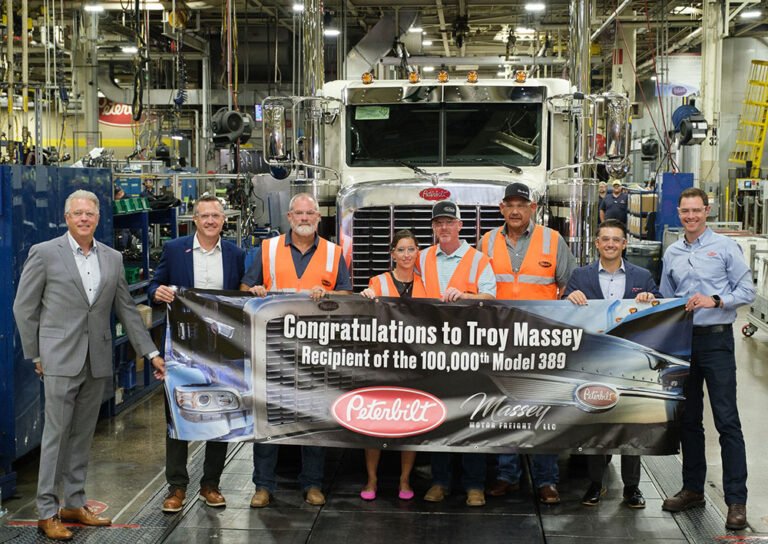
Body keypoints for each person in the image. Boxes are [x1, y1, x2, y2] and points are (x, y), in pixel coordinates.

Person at [13, 190, 165, 541]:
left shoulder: (111, 258)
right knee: (56, 436)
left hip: (97, 360)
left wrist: (151, 353)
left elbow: (126, 309)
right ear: (66, 218)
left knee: (83, 435)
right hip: (59, 359)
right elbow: (24, 307)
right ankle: (47, 511)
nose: (84, 218)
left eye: (90, 213)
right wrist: (36, 355)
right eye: (77, 213)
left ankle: (74, 503)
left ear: (98, 218)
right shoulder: (44, 253)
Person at [240, 192, 352, 508]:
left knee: (314, 417)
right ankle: (263, 486)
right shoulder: (268, 249)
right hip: (274, 347)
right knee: (269, 417)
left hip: (316, 349)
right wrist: (255, 290)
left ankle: (312, 484)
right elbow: (244, 289)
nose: (304, 218)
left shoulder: (333, 253)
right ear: (289, 217)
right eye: (299, 213)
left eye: (310, 213)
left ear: (318, 217)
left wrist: (330, 295)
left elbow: (347, 295)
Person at [659, 187, 755, 531]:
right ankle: (692, 489)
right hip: (683, 342)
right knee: (689, 420)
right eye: (685, 211)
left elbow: (747, 291)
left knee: (727, 420)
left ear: (707, 211)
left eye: (696, 210)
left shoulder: (725, 247)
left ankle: (736, 502)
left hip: (716, 341)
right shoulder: (671, 252)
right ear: (679, 214)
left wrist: (715, 300)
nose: (691, 216)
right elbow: (666, 298)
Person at [479, 181, 577, 505]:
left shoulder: (553, 240)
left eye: (522, 204)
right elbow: (478, 287)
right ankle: (507, 475)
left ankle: (546, 479)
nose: (516, 210)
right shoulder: (486, 242)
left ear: (532, 208)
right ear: (501, 209)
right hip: (500, 338)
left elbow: (570, 285)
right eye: (510, 205)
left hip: (541, 339)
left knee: (543, 409)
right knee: (503, 407)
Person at [148, 194, 246, 513]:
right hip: (182, 347)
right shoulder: (175, 250)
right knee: (178, 413)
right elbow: (154, 286)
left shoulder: (235, 254)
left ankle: (210, 485)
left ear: (224, 220)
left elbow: (243, 294)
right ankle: (176, 486)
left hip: (221, 349)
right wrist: (157, 292)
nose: (210, 221)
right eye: (204, 216)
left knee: (220, 413)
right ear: (195, 220)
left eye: (215, 216)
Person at [563, 218, 661, 508]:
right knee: (597, 421)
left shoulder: (642, 276)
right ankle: (596, 483)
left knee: (632, 424)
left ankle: (632, 487)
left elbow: (661, 308)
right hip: (593, 362)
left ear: (624, 244)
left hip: (631, 363)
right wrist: (569, 297)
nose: (610, 244)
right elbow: (562, 311)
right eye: (605, 239)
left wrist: (651, 298)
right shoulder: (580, 276)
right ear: (597, 243)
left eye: (616, 239)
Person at [418, 200, 494, 507]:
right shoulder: (423, 257)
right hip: (432, 349)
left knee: (472, 415)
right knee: (438, 416)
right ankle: (440, 481)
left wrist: (465, 296)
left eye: (450, 222)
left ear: (460, 226)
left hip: (469, 348)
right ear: (433, 227)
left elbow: (491, 297)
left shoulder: (478, 260)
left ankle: (475, 485)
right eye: (439, 223)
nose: (444, 227)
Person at [359, 230, 425, 501]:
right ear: (392, 254)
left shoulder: (426, 283)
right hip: (382, 363)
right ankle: (371, 479)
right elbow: (365, 315)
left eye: (411, 249)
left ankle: (405, 479)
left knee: (410, 423)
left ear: (417, 252)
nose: (406, 255)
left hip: (415, 364)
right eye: (401, 250)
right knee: (374, 424)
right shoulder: (378, 282)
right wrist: (365, 297)